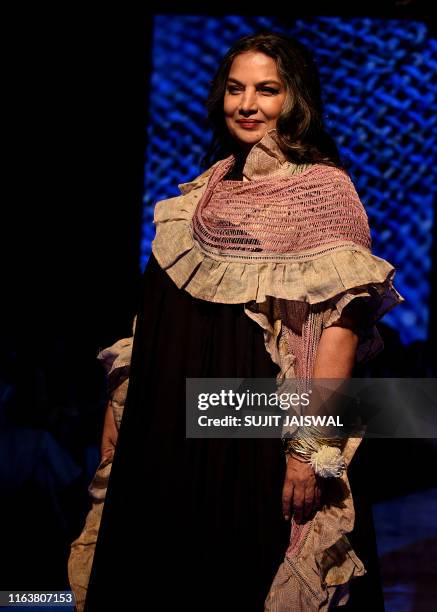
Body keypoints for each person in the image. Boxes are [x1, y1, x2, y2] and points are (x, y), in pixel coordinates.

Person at [68, 32, 404, 611]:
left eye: (266, 90)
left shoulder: (323, 192)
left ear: (295, 98)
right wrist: (118, 405)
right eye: (235, 88)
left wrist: (308, 448)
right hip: (167, 431)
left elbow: (339, 330)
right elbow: (154, 319)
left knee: (241, 575)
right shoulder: (203, 194)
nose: (246, 104)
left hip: (251, 433)